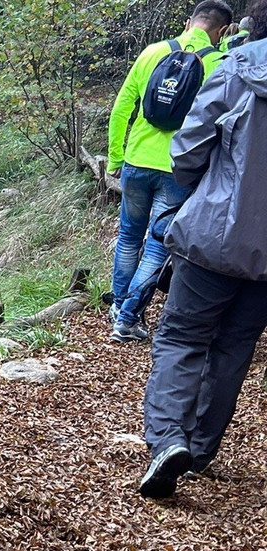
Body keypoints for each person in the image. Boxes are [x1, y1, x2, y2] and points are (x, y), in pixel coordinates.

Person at [139, 0, 267, 499]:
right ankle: (199, 447)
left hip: (211, 237)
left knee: (182, 337)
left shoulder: (236, 68)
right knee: (234, 348)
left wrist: (203, 188)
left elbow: (189, 148)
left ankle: (168, 440)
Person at [106, 1, 232, 343]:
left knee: (129, 236)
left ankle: (119, 306)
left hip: (136, 160)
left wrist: (116, 156)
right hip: (179, 169)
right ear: (222, 31)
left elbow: (121, 108)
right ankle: (128, 318)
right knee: (157, 245)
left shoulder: (153, 52)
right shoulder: (219, 64)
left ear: (189, 22)